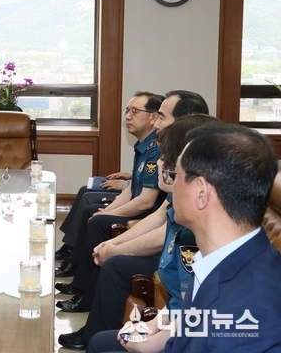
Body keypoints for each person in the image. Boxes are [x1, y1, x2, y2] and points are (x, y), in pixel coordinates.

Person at [89, 124, 281, 352]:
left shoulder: (251, 308)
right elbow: (192, 321)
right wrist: (149, 335)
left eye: (175, 175)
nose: (169, 185)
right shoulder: (221, 257)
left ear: (201, 192)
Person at [59, 114, 221, 351]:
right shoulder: (185, 207)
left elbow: (194, 316)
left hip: (181, 338)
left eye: (166, 159)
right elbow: (181, 307)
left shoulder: (200, 234)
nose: (160, 163)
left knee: (114, 266)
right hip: (171, 322)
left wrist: (149, 341)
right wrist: (151, 326)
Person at [55, 92, 166, 279]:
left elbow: (145, 202)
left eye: (135, 111)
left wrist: (106, 214)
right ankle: (76, 264)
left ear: (153, 117)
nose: (128, 116)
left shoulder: (155, 149)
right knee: (93, 211)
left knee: (96, 218)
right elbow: (132, 189)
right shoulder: (143, 146)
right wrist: (106, 211)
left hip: (147, 214)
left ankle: (81, 278)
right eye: (127, 111)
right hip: (138, 206)